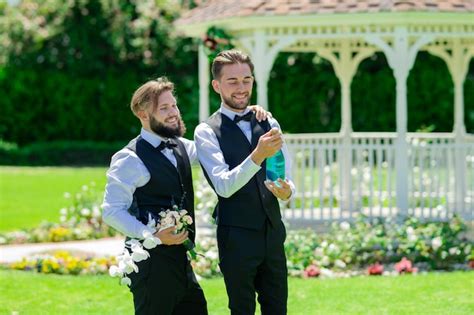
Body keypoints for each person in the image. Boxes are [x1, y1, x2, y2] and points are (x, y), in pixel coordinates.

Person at [102, 76, 270, 315]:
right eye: (164, 108)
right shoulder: (129, 158)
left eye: (174, 105)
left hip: (181, 263)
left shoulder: (182, 146)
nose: (173, 113)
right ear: (143, 114)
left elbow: (217, 144)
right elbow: (111, 210)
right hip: (150, 266)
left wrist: (244, 115)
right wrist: (152, 235)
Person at [194, 50, 295, 315]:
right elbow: (224, 186)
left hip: (272, 232)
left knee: (278, 309)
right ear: (216, 85)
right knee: (242, 310)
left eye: (246, 79)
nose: (242, 88)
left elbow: (283, 173)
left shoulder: (267, 120)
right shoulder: (206, 132)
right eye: (233, 81)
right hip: (236, 235)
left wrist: (287, 191)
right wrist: (257, 155)